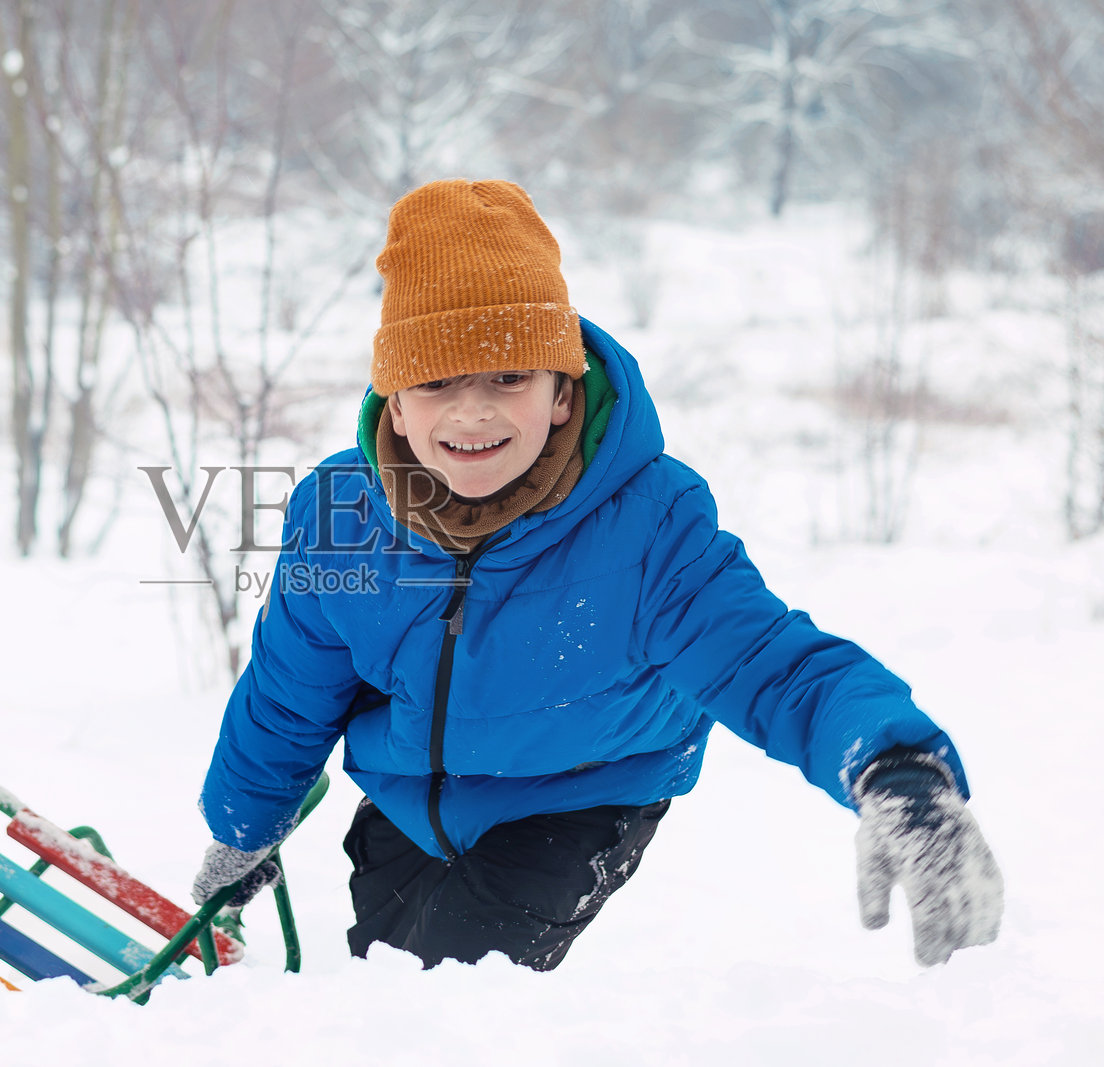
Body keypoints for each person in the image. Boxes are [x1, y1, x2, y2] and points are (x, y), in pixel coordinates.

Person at [190, 179, 1003, 971]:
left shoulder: (645, 521)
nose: (472, 413)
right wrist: (242, 827)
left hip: (576, 795)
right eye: (437, 382)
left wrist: (898, 769)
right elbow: (291, 691)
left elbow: (772, 662)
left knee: (451, 996)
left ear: (559, 392)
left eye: (508, 376)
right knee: (386, 984)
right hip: (405, 802)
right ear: (394, 404)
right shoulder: (340, 515)